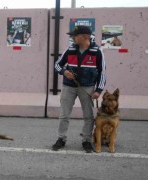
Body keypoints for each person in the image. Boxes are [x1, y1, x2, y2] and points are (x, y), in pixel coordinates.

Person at [52, 25, 106, 153]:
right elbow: (57, 65)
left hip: (87, 88)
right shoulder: (70, 49)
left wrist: (98, 90)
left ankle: (86, 140)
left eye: (74, 36)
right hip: (68, 87)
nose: (72, 38)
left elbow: (102, 73)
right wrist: (64, 72)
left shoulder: (98, 51)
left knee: (88, 116)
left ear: (84, 37)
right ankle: (61, 139)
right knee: (64, 115)